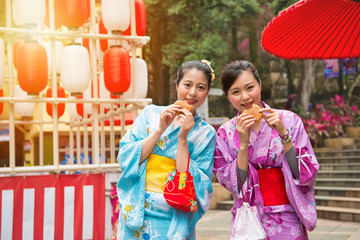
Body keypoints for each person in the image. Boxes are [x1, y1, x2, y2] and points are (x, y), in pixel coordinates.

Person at [213, 60, 319, 239]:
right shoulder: (225, 133)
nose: (245, 97)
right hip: (249, 218)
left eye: (250, 87)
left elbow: (306, 173)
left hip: (287, 214)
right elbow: (232, 183)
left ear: (259, 85)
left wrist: (283, 134)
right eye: (236, 92)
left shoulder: (289, 120)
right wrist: (243, 145)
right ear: (227, 96)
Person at [116, 60, 216, 239]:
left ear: (207, 92)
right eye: (187, 85)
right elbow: (125, 156)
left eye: (201, 87)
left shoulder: (206, 133)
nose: (193, 92)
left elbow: (201, 184)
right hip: (138, 208)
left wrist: (183, 138)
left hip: (174, 215)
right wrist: (159, 129)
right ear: (177, 85)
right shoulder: (150, 113)